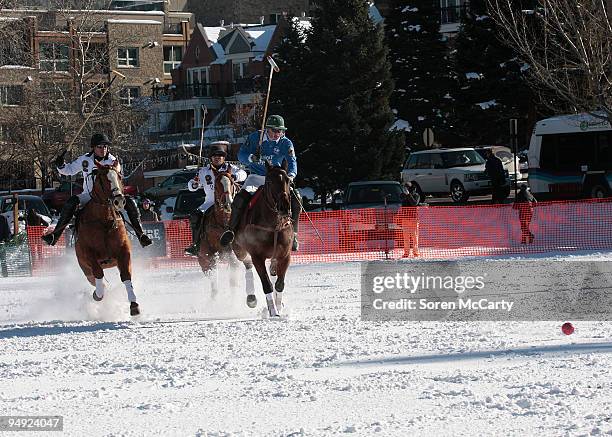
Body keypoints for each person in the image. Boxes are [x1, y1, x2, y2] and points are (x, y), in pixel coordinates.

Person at [41, 133, 152, 248]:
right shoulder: (85, 159)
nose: (103, 149)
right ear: (93, 147)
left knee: (130, 202)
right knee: (71, 202)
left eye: (105, 146)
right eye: (100, 147)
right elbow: (68, 170)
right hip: (89, 195)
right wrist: (61, 165)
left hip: (110, 198)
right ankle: (55, 236)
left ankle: (141, 235)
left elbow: (119, 177)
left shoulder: (113, 161)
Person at [219, 115, 301, 251]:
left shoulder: (286, 143)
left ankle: (294, 234)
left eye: (280, 131)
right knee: (240, 199)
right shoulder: (255, 138)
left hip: (277, 179)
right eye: (274, 131)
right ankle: (231, 231)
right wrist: (250, 157)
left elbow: (292, 162)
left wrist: (291, 175)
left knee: (296, 198)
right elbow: (241, 155)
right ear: (267, 129)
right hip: (256, 177)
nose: (277, 134)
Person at [184, 141, 247, 256]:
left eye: (220, 156)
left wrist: (235, 176)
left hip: (229, 201)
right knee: (195, 216)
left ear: (224, 158)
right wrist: (194, 184)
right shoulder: (203, 171)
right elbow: (191, 186)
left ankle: (248, 241)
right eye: (215, 156)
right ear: (211, 158)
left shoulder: (230, 168)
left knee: (245, 213)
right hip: (210, 202)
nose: (217, 158)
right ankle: (196, 244)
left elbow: (243, 173)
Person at [400, 181, 422, 257]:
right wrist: (405, 195)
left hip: (413, 219)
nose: (405, 189)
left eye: (407, 187)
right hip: (405, 219)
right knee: (405, 237)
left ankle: (416, 253)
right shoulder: (403, 195)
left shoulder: (416, 195)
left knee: (414, 236)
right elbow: (401, 199)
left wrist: (409, 195)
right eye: (404, 188)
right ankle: (406, 253)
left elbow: (414, 203)